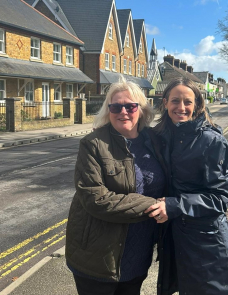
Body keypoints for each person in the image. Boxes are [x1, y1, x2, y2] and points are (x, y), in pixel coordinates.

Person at [65, 78, 167, 295]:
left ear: (141, 109)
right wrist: (155, 206)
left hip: (138, 251)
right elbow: (96, 199)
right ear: (108, 109)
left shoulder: (154, 141)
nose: (123, 111)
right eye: (116, 106)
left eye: (130, 106)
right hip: (98, 257)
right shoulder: (93, 144)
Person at [145, 77, 228, 295]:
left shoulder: (211, 141)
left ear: (197, 104)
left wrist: (174, 205)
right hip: (174, 239)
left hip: (207, 244)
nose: (181, 107)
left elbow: (221, 197)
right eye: (175, 101)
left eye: (188, 102)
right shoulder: (161, 137)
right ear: (165, 102)